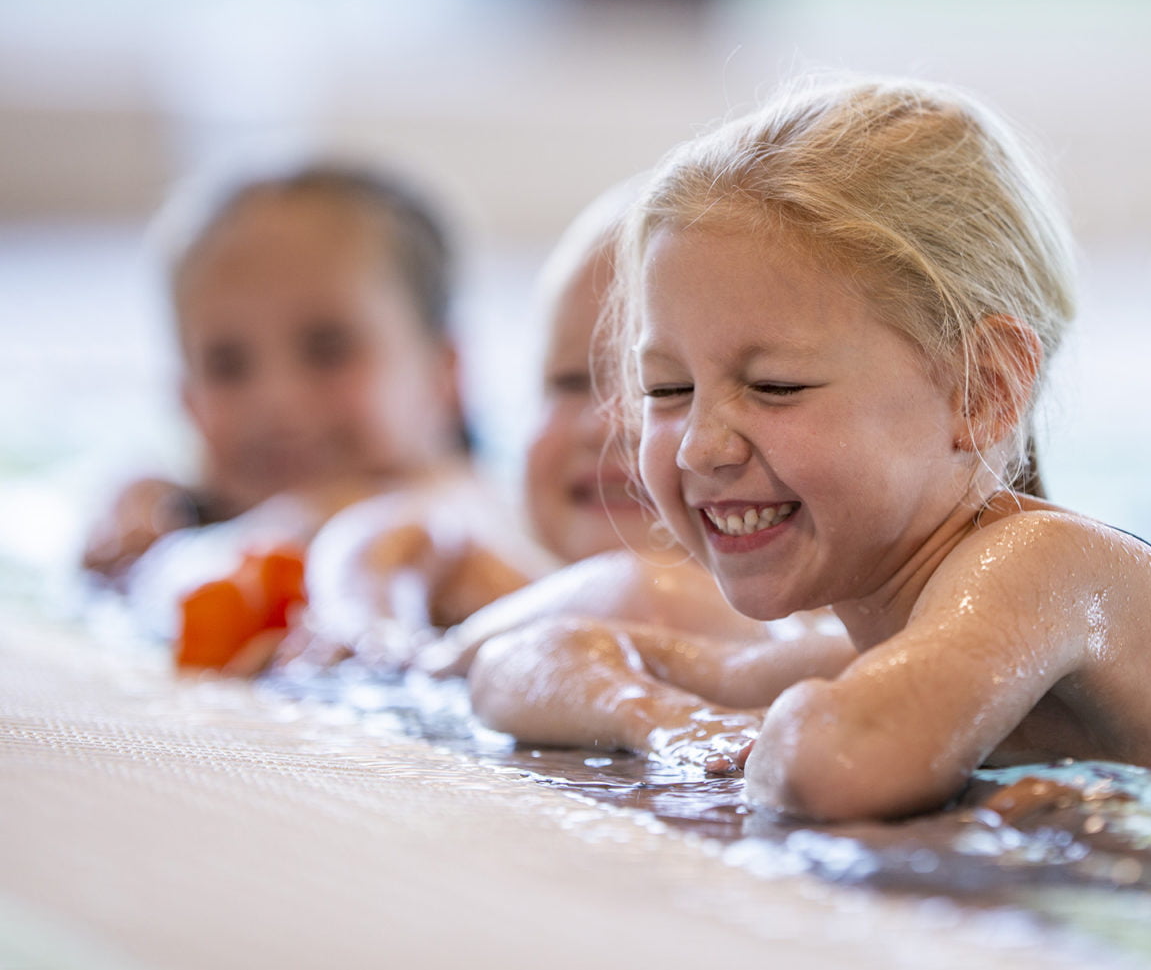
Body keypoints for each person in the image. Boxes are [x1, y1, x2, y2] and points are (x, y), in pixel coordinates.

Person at [466, 76, 1151, 821]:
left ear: (981, 388)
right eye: (668, 391)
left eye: (776, 386)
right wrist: (670, 720)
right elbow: (522, 663)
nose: (699, 448)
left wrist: (776, 731)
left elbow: (836, 766)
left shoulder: (1048, 563)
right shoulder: (879, 647)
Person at [287, 178, 812, 673]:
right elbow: (383, 535)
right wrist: (370, 626)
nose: (605, 421)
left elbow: (641, 593)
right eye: (568, 382)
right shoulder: (502, 576)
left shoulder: (816, 630)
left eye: (666, 389)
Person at [79, 161, 476, 660]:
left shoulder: (476, 516)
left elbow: (448, 515)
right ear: (187, 402)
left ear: (444, 373)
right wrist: (152, 502)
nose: (276, 401)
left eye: (328, 349)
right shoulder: (175, 516)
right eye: (227, 365)